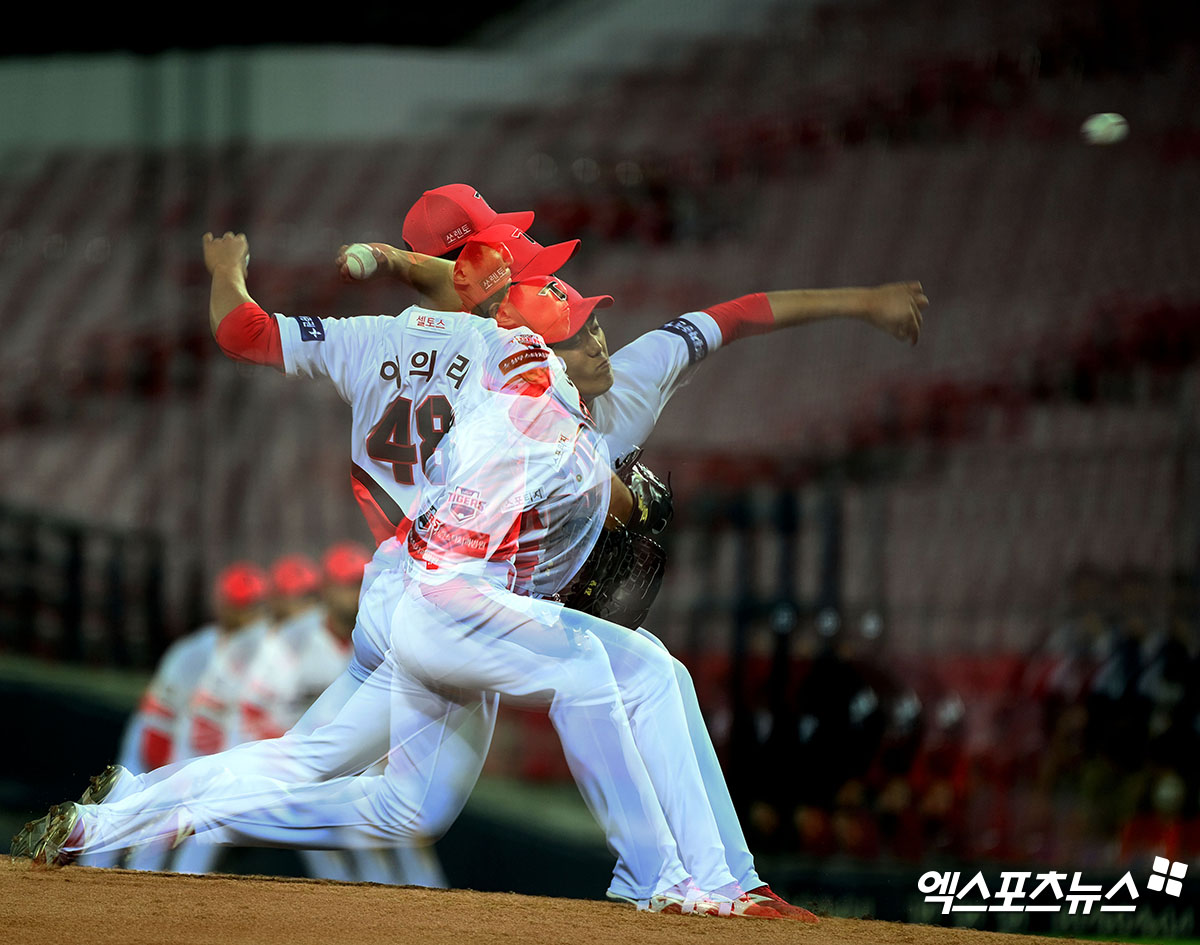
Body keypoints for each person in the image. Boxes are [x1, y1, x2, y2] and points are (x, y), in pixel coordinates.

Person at [18, 231, 784, 918]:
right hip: (452, 601)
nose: (593, 336)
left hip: (403, 578)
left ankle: (117, 815)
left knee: (396, 805)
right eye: (572, 317)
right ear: (503, 308)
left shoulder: (397, 342)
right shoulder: (523, 372)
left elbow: (254, 329)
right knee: (632, 668)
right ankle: (667, 879)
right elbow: (574, 464)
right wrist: (620, 496)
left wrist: (375, 263)